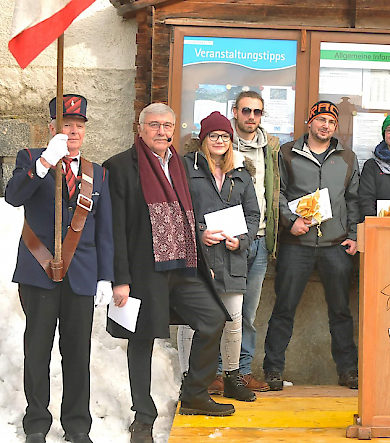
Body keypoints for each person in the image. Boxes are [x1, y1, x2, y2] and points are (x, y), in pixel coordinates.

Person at [103, 103, 233, 443]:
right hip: (144, 270)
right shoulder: (118, 166)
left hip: (184, 265)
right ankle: (143, 417)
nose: (162, 131)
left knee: (212, 319)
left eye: (168, 126)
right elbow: (113, 228)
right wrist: (120, 278)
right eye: (155, 125)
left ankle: (194, 393)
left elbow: (184, 211)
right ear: (141, 128)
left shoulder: (179, 163)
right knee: (141, 339)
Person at [5, 94, 114, 443]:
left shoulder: (97, 174)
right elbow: (13, 196)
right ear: (52, 128)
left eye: (79, 126)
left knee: (77, 353)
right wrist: (43, 164)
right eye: (66, 125)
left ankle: (77, 426)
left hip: (81, 276)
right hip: (38, 271)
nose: (73, 132)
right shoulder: (31, 159)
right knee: (37, 350)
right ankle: (36, 422)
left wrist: (106, 277)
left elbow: (105, 230)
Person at [263, 100, 361, 390]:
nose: (326, 126)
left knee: (341, 310)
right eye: (320, 120)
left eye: (331, 122)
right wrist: (289, 220)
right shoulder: (287, 153)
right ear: (310, 122)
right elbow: (276, 192)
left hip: (335, 245)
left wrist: (354, 235)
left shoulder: (347, 157)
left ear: (336, 127)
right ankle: (273, 369)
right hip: (297, 244)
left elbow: (354, 199)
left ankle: (348, 370)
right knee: (284, 307)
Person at [180, 111, 260, 402]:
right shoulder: (186, 168)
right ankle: (189, 378)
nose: (219, 141)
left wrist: (240, 241)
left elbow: (253, 214)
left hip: (230, 257)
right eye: (213, 135)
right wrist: (200, 232)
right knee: (193, 320)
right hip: (198, 256)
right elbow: (178, 209)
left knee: (234, 319)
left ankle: (231, 376)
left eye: (225, 136)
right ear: (203, 139)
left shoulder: (240, 173)